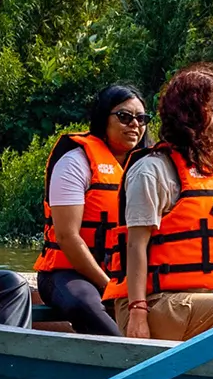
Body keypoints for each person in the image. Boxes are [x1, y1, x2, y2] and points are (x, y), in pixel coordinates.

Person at [104, 64, 213, 340]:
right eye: (212, 110)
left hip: (201, 303)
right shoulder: (152, 170)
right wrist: (137, 312)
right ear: (187, 113)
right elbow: (135, 247)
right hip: (151, 304)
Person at [33, 83, 149, 336]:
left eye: (141, 119)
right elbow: (67, 237)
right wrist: (109, 287)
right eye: (124, 116)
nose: (134, 124)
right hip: (68, 274)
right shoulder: (75, 162)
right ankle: (125, 356)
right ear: (103, 118)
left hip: (125, 275)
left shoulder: (148, 168)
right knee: (86, 304)